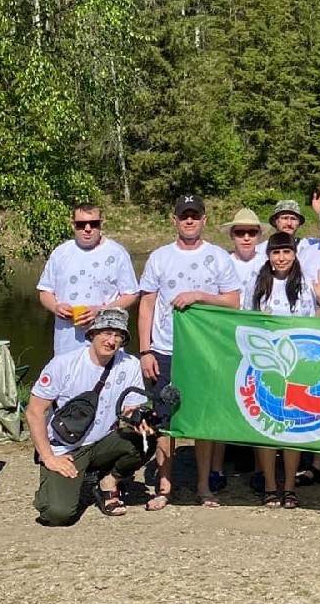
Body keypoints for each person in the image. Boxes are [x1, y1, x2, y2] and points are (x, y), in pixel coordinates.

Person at [137, 194, 242, 510]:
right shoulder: (159, 257)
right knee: (164, 419)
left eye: (195, 215)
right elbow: (147, 303)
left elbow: (233, 301)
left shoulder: (219, 257)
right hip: (165, 349)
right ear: (175, 220)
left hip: (204, 350)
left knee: (203, 419)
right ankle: (164, 486)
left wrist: (199, 296)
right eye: (184, 216)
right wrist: (145, 350)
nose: (190, 221)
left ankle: (203, 486)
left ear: (204, 220)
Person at [26, 307, 151, 524]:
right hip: (66, 448)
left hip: (103, 442)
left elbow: (131, 409)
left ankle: (108, 481)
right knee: (57, 515)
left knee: (149, 436)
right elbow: (34, 411)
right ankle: (54, 484)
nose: (111, 340)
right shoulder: (64, 364)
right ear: (92, 334)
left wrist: (140, 420)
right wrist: (48, 457)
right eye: (106, 332)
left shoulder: (130, 364)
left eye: (118, 335)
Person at [242, 231, 320, 508]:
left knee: (292, 427)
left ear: (294, 254)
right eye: (276, 252)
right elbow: (245, 323)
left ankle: (290, 487)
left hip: (296, 364)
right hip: (264, 365)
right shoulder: (256, 284)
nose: (281, 258)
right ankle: (270, 485)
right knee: (266, 428)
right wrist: (259, 320)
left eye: (286, 252)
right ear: (268, 256)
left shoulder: (305, 285)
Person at [37, 205, 139, 357]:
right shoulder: (61, 253)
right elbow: (45, 292)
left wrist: (102, 310)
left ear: (101, 224)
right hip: (67, 344)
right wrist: (56, 307)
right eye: (81, 224)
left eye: (93, 224)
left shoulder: (117, 253)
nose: (87, 229)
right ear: (73, 225)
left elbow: (131, 294)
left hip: (106, 341)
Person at [224, 207, 266, 290]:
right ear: (232, 235)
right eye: (240, 233)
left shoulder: (267, 264)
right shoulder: (223, 264)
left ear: (259, 235)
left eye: (252, 233)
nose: (246, 238)